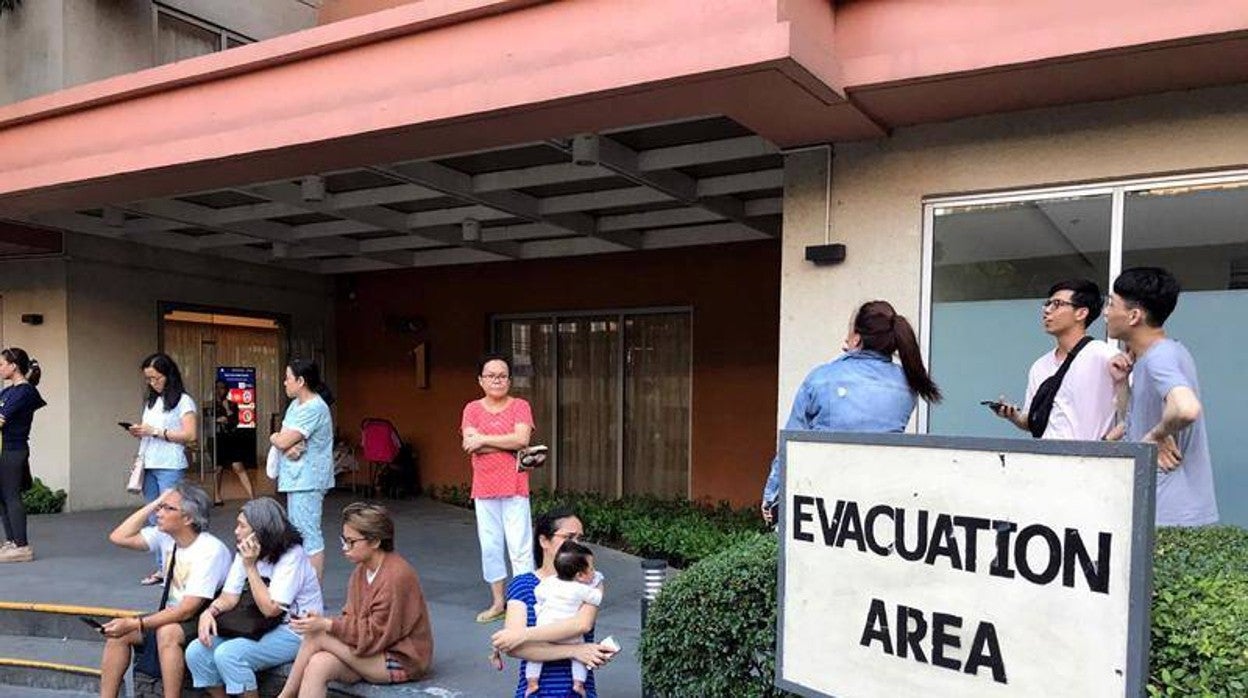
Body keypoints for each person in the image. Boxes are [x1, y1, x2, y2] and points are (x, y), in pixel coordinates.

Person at [760, 300, 942, 524]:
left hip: (823, 501)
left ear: (857, 338)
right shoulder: (908, 384)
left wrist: (771, 497)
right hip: (880, 504)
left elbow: (791, 445)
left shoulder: (822, 377)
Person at [275, 502, 432, 697]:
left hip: (400, 658)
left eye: (351, 542)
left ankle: (285, 695)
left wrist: (328, 624)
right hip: (369, 651)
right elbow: (352, 620)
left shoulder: (396, 576)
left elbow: (376, 635)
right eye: (343, 540)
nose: (344, 548)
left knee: (318, 635)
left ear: (375, 542)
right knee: (318, 664)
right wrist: (328, 623)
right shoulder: (361, 571)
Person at [1104, 267, 1218, 526]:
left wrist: (1158, 434)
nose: (1106, 312)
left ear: (1133, 316)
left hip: (1169, 513)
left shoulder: (1160, 357)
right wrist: (1122, 383)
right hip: (1158, 507)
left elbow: (1186, 409)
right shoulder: (1156, 356)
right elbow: (1133, 423)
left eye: (1111, 304)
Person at [99, 483, 232, 698]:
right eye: (160, 508)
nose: (159, 513)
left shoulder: (210, 550)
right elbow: (118, 536)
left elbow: (187, 610)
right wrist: (154, 503)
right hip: (174, 613)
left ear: (188, 518)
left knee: (167, 632)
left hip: (204, 618)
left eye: (167, 508)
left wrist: (136, 622)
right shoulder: (166, 537)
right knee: (119, 635)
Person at [185, 497, 323, 698]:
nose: (236, 531)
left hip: (294, 631)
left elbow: (271, 609)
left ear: (261, 531)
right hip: (258, 625)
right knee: (196, 652)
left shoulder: (292, 555)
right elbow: (229, 597)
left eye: (242, 526)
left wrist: (250, 567)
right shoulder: (246, 552)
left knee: (229, 655)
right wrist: (210, 611)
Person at [491, 508, 617, 698]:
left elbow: (581, 624)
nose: (575, 545)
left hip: (578, 692)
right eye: (568, 537)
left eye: (579, 539)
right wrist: (576, 651)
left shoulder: (591, 580)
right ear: (544, 541)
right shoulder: (523, 584)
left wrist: (521, 635)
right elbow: (516, 648)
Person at [989, 279, 1120, 439]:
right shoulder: (1040, 365)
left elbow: (1134, 413)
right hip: (1047, 458)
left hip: (1090, 459)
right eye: (1047, 303)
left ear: (1081, 313)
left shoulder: (1103, 355)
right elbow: (1032, 421)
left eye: (1057, 304)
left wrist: (1106, 444)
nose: (1047, 310)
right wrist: (1013, 416)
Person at [461, 352, 536, 623]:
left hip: (515, 484)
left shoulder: (520, 406)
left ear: (510, 380)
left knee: (520, 546)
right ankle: (498, 602)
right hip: (483, 486)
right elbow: (469, 444)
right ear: (481, 380)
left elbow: (522, 439)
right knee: (491, 546)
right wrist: (496, 442)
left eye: (502, 375)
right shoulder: (471, 408)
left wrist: (484, 440)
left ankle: (525, 603)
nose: (497, 380)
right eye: (491, 375)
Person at [131, 353, 198, 586]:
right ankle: (162, 567)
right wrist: (141, 432)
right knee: (154, 517)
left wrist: (157, 432)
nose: (152, 383)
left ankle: (174, 567)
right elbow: (150, 431)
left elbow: (190, 435)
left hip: (170, 464)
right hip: (149, 462)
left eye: (156, 378)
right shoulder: (152, 402)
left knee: (171, 516)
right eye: (148, 379)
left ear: (168, 375)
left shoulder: (183, 401)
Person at [271, 359, 334, 582]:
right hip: (296, 479)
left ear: (300, 381)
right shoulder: (295, 405)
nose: (284, 381)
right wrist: (279, 439)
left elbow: (284, 440)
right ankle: (302, 586)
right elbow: (284, 438)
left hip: (308, 480)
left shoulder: (314, 407)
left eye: (288, 377)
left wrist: (278, 440)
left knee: (309, 534)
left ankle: (312, 593)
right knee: (299, 532)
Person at [522, 541, 604, 698]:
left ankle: (532, 682)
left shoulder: (549, 582)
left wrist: (543, 604)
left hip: (545, 630)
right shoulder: (580, 589)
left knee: (535, 657)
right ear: (579, 575)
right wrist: (598, 582)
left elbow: (538, 593)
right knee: (580, 653)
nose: (594, 572)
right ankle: (578, 683)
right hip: (569, 634)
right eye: (592, 569)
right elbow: (597, 598)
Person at [0, 347, 45, 563]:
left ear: (13, 366)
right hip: (2, 448)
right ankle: (11, 541)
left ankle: (21, 545)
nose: (0, 368)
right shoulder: (7, 392)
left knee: (11, 495)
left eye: (2, 364)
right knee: (2, 497)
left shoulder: (25, 392)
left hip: (13, 448)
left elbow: (2, 420)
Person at [212, 380, 256, 506]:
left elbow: (235, 421)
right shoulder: (211, 405)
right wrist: (218, 420)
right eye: (217, 388)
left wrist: (227, 410)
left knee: (238, 466)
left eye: (222, 388)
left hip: (230, 438)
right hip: (217, 439)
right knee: (218, 468)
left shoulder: (232, 404)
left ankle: (252, 496)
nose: (220, 391)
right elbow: (207, 422)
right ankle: (217, 496)